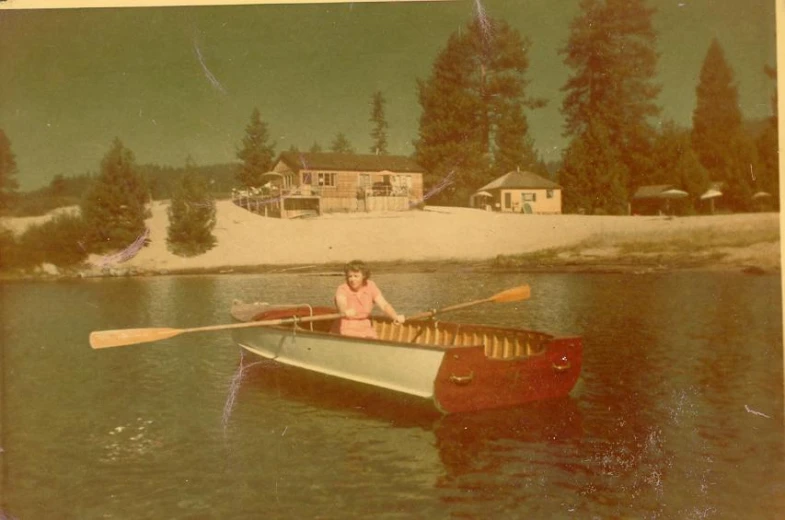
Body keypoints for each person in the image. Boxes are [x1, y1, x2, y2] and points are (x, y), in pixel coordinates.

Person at [332, 260, 405, 338]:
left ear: (364, 276)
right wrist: (345, 311)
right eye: (350, 276)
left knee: (374, 343)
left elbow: (383, 304)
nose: (352, 279)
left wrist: (395, 316)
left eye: (356, 276)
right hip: (347, 327)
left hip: (366, 327)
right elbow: (341, 303)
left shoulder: (371, 285)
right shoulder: (342, 289)